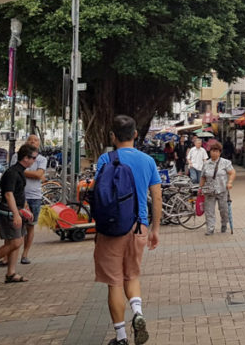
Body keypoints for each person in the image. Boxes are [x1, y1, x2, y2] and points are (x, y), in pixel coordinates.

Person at [94, 115, 162, 345]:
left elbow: (99, 195)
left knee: (114, 282)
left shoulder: (105, 159)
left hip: (111, 229)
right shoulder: (147, 161)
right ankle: (139, 313)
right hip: (138, 227)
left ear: (112, 136)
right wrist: (155, 229)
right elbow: (157, 196)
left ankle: (121, 337)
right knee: (132, 275)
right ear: (135, 134)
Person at [0, 144, 36, 283]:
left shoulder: (19, 172)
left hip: (17, 209)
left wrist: (25, 208)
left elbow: (19, 193)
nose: (34, 161)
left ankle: (11, 273)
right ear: (26, 158)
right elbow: (9, 194)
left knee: (16, 241)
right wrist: (16, 214)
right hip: (9, 211)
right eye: (33, 158)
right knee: (15, 242)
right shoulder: (12, 172)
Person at [19, 134, 47, 265]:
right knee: (16, 226)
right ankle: (9, 254)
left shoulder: (41, 159)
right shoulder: (16, 156)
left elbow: (39, 175)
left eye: (35, 140)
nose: (32, 142)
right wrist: (35, 175)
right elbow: (36, 175)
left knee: (30, 226)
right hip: (19, 195)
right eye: (30, 140)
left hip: (34, 196)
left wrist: (20, 170)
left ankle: (25, 254)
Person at [199, 142, 236, 235]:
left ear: (220, 152)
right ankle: (210, 228)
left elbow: (232, 172)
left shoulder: (225, 163)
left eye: (216, 151)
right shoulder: (206, 163)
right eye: (212, 151)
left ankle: (224, 223)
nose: (214, 153)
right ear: (210, 152)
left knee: (224, 210)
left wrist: (230, 182)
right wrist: (200, 188)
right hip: (209, 191)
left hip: (222, 190)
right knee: (209, 211)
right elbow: (203, 177)